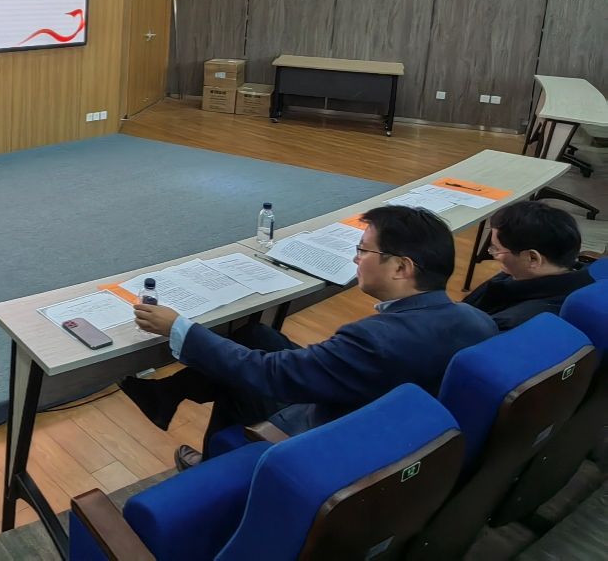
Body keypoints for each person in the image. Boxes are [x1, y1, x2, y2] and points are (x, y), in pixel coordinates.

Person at [124, 205, 497, 469]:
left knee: (240, 373)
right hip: (385, 414)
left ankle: (215, 474)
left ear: (401, 267)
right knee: (255, 334)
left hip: (331, 433)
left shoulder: (375, 340)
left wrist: (179, 328)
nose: (356, 259)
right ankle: (167, 394)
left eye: (363, 250)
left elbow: (270, 374)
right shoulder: (477, 322)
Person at [464, 200, 592, 330]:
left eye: (497, 249)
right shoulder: (580, 278)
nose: (493, 254)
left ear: (532, 258)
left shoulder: (512, 323)